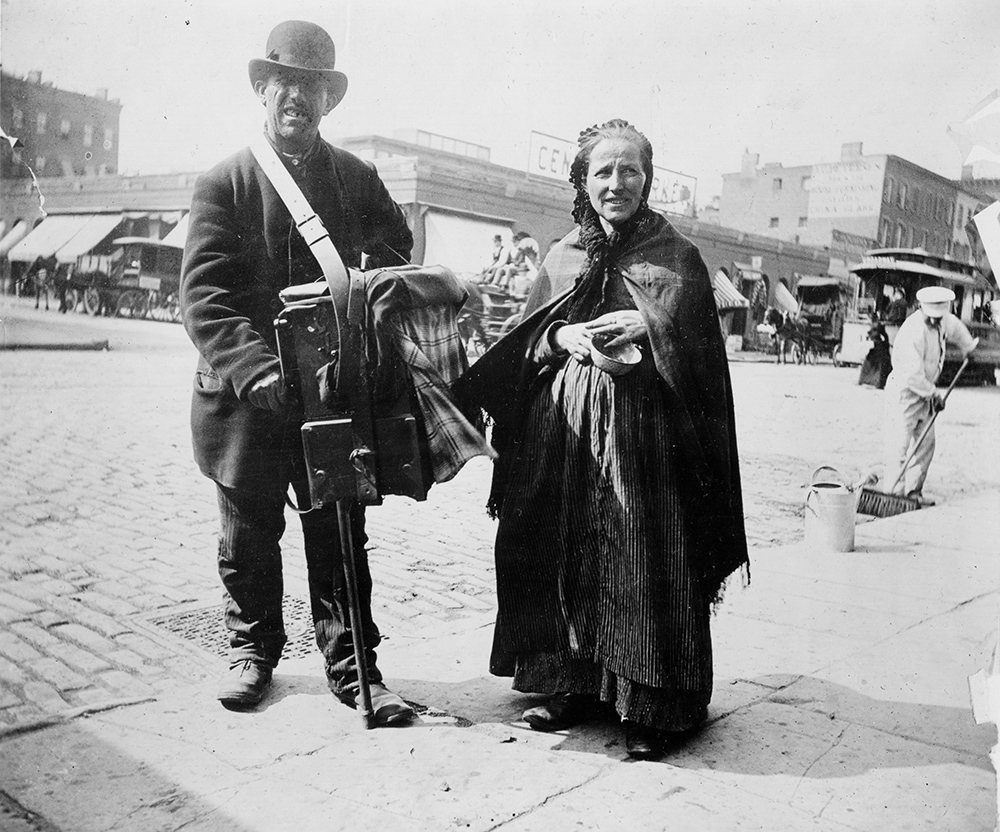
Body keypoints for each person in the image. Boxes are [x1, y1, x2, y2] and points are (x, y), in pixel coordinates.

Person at [456, 119, 748, 760]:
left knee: (643, 553)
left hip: (647, 442)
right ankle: (568, 682)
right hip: (561, 436)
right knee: (560, 548)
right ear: (583, 181)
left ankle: (655, 703)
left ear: (648, 179)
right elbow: (527, 339)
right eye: (603, 172)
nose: (617, 184)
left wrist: (649, 324)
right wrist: (563, 337)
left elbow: (702, 356)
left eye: (630, 171)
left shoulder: (678, 256)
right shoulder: (561, 255)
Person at [180, 20, 417, 723]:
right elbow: (204, 297)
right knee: (247, 530)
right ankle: (252, 653)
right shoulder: (224, 180)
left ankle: (353, 669)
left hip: (331, 390)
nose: (297, 98)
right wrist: (255, 369)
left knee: (339, 528)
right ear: (262, 89)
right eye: (284, 83)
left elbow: (394, 248)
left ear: (328, 101)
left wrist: (368, 273)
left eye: (312, 88)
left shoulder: (356, 178)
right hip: (245, 396)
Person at [881, 286, 978, 504]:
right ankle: (893, 494)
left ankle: (913, 491)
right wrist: (934, 394)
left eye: (938, 318)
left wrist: (968, 347)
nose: (935, 322)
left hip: (926, 395)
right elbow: (912, 374)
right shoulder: (913, 331)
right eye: (931, 318)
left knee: (926, 443)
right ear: (922, 309)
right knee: (899, 444)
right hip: (904, 394)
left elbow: (956, 328)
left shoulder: (943, 320)